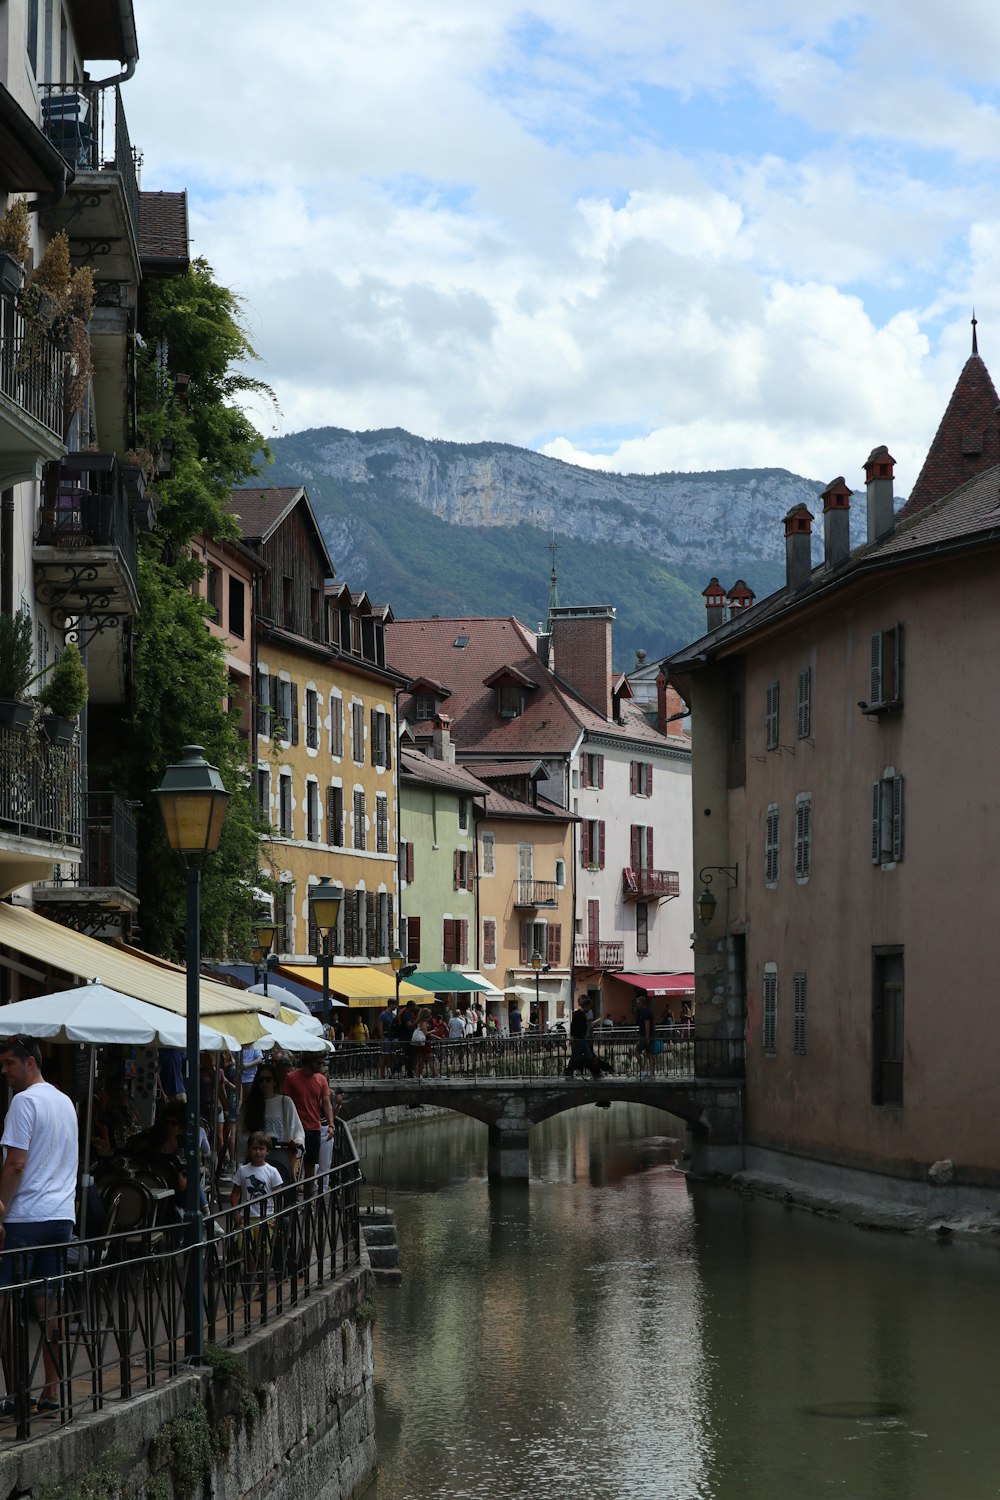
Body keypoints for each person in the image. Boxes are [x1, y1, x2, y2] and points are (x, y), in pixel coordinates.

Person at [0, 1037, 78, 1415]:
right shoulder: (65, 1102)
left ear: (29, 1063)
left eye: (8, 1064)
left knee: (8, 1306)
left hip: (25, 1218)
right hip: (60, 1217)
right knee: (50, 1310)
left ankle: (16, 1393)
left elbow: (16, 1163)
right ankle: (52, 1389)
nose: (4, 1072)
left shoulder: (24, 1102)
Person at [235, 1065, 304, 1176]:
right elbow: (242, 1133)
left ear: (274, 1082)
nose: (264, 1083)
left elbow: (297, 1128)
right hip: (256, 1157)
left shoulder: (285, 1102)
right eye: (261, 1080)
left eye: (268, 1079)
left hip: (281, 1155)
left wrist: (298, 1140)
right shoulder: (249, 1106)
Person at [283, 1053, 334, 1191]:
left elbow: (326, 1103)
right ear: (309, 1061)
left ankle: (307, 1201)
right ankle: (292, 1197)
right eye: (319, 1063)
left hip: (314, 1128)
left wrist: (331, 1125)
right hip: (295, 1128)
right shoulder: (291, 1078)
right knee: (293, 1164)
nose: (321, 1066)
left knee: (310, 1166)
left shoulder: (322, 1080)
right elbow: (285, 1103)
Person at [231, 1133, 284, 1222]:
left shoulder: (272, 1171)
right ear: (249, 1150)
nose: (258, 1152)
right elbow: (235, 1193)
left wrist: (277, 1216)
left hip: (267, 1216)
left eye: (261, 1149)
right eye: (254, 1148)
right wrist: (236, 1213)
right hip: (246, 1216)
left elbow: (278, 1195)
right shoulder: (242, 1170)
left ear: (267, 1151)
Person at [566, 997, 603, 1079]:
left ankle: (569, 1073)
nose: (590, 1009)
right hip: (580, 1039)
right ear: (586, 1006)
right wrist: (572, 1037)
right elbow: (573, 1026)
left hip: (580, 1038)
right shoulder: (578, 1014)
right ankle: (596, 1073)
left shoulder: (580, 1014)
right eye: (589, 1007)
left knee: (575, 1057)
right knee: (588, 1056)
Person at [376, 998, 397, 1078]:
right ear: (391, 1004)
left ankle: (391, 1072)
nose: (396, 1007)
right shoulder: (383, 1015)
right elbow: (380, 1026)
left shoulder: (394, 1015)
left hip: (392, 1037)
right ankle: (382, 1074)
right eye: (395, 1005)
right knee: (384, 1056)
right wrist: (382, 1037)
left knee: (392, 1056)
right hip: (386, 1037)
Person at [635, 996, 656, 1077]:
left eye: (638, 1003)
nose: (637, 1005)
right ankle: (652, 1073)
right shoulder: (648, 1011)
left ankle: (643, 1070)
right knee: (650, 1055)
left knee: (637, 1052)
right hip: (650, 1036)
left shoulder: (645, 1012)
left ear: (643, 1003)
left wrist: (646, 1037)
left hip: (645, 1037)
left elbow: (647, 1025)